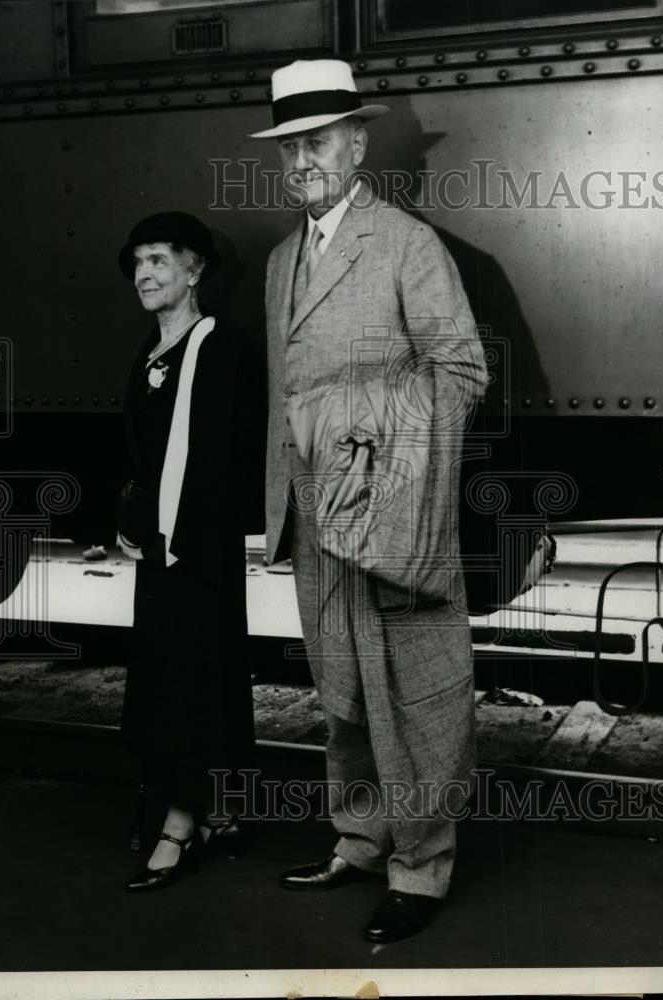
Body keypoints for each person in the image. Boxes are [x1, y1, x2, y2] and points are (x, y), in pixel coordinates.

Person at [251, 60, 488, 942]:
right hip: (317, 521)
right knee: (341, 691)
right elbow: (286, 395)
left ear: (357, 143)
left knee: (414, 694)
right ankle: (360, 836)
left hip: (391, 514)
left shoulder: (406, 245)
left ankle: (421, 869)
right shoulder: (281, 261)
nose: (304, 159)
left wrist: (357, 433)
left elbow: (461, 372)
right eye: (291, 147)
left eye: (319, 141)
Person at [116, 211, 261, 892]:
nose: (144, 274)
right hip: (163, 544)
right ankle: (220, 813)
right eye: (138, 262)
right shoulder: (155, 344)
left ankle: (181, 824)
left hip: (196, 548)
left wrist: (169, 530)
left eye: (159, 261)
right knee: (175, 677)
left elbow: (216, 460)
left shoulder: (218, 344)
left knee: (189, 681)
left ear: (194, 269)